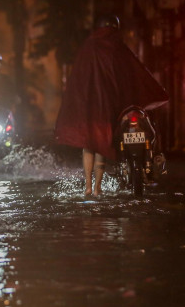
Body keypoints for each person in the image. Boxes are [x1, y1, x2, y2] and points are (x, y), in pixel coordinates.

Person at [54, 14, 169, 197]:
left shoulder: (88, 47)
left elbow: (79, 80)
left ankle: (88, 188)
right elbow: (132, 72)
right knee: (102, 144)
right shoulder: (117, 46)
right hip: (108, 107)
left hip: (89, 107)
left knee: (89, 145)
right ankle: (98, 188)